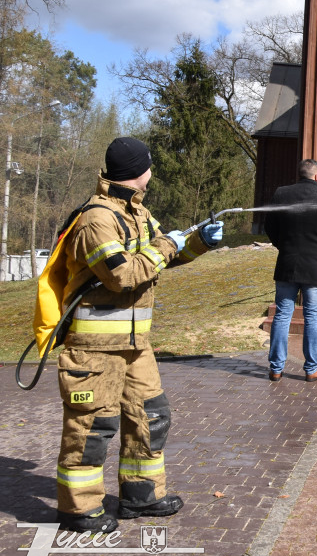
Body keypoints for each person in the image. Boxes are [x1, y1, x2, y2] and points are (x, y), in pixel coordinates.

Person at [55, 136, 224, 533]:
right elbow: (122, 275)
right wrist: (167, 244)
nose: (153, 173)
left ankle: (140, 495)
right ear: (138, 171)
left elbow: (162, 257)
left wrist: (198, 242)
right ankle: (78, 509)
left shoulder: (137, 213)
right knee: (93, 428)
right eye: (149, 166)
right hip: (95, 350)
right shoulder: (96, 219)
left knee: (151, 417)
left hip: (135, 346)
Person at [265, 159, 317, 382]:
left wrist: (283, 246)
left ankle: (276, 368)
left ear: (300, 175)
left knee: (282, 315)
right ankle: (311, 369)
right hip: (315, 267)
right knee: (312, 317)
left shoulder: (281, 194)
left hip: (287, 264)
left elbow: (269, 227)